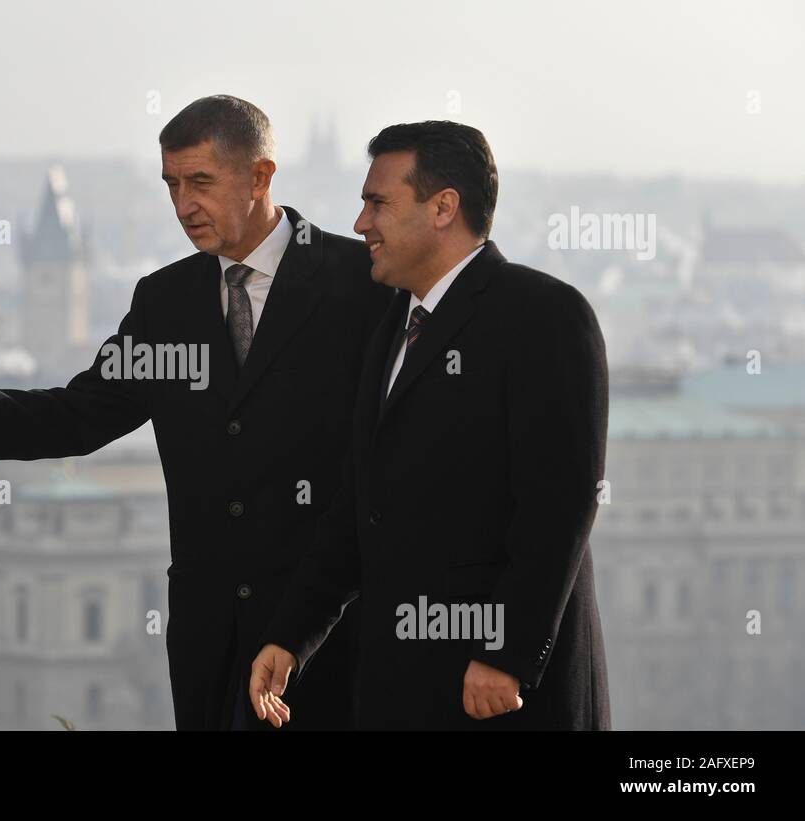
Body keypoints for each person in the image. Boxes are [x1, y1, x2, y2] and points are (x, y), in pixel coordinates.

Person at [0, 95, 394, 730]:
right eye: (172, 185)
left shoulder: (364, 284)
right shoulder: (165, 301)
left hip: (332, 633)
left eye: (201, 182)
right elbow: (83, 414)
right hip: (209, 637)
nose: (182, 206)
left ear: (261, 176)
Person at [251, 120, 611, 730]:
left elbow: (559, 505)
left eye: (378, 202)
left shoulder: (544, 316)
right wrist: (291, 636)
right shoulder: (394, 323)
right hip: (402, 690)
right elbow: (359, 506)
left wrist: (506, 654)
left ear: (444, 207)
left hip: (502, 697)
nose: (361, 222)